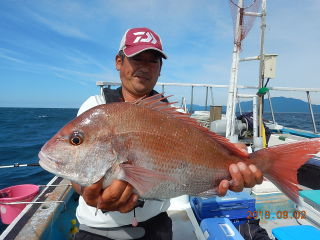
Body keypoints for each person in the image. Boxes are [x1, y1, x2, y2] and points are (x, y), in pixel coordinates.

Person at [73, 27, 263, 240]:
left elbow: (204, 157)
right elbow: (77, 173)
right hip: (97, 231)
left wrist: (234, 164)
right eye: (137, 58)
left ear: (160, 69)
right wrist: (85, 192)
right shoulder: (96, 109)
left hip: (157, 228)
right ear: (119, 61)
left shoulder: (177, 116)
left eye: (153, 60)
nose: (144, 67)